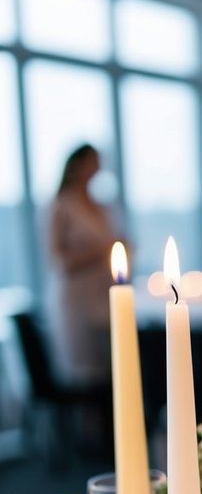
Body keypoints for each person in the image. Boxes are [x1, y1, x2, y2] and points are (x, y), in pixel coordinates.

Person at [47, 144, 119, 386]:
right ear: (77, 166)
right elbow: (57, 260)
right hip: (78, 300)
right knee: (88, 374)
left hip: (104, 294)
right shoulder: (61, 206)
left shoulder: (100, 205)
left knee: (113, 369)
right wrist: (100, 251)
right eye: (93, 162)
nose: (97, 168)